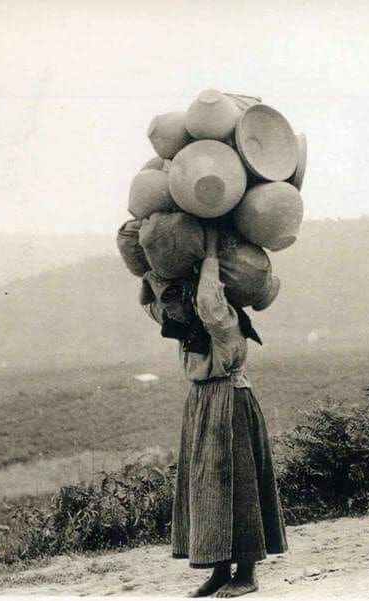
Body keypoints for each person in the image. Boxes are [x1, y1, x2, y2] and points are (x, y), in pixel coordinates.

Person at [140, 224, 287, 597]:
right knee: (207, 487)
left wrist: (208, 256)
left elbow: (208, 302)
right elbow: (154, 305)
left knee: (238, 484)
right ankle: (220, 568)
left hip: (229, 401)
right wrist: (150, 269)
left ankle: (247, 572)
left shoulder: (225, 322)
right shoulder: (187, 326)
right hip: (202, 404)